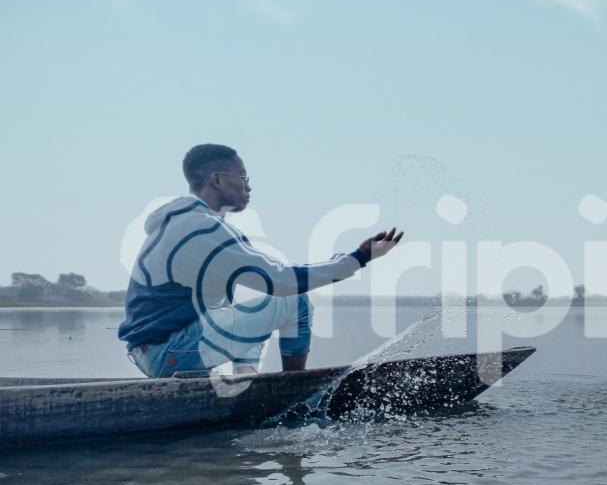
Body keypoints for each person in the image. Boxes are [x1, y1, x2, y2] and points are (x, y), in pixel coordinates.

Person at [118, 143, 403, 378]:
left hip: (155, 352)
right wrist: (358, 258)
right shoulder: (201, 228)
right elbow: (281, 281)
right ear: (217, 180)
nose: (248, 186)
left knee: (245, 305)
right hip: (168, 353)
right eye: (243, 177)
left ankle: (246, 375)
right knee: (295, 301)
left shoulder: (179, 223)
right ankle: (293, 389)